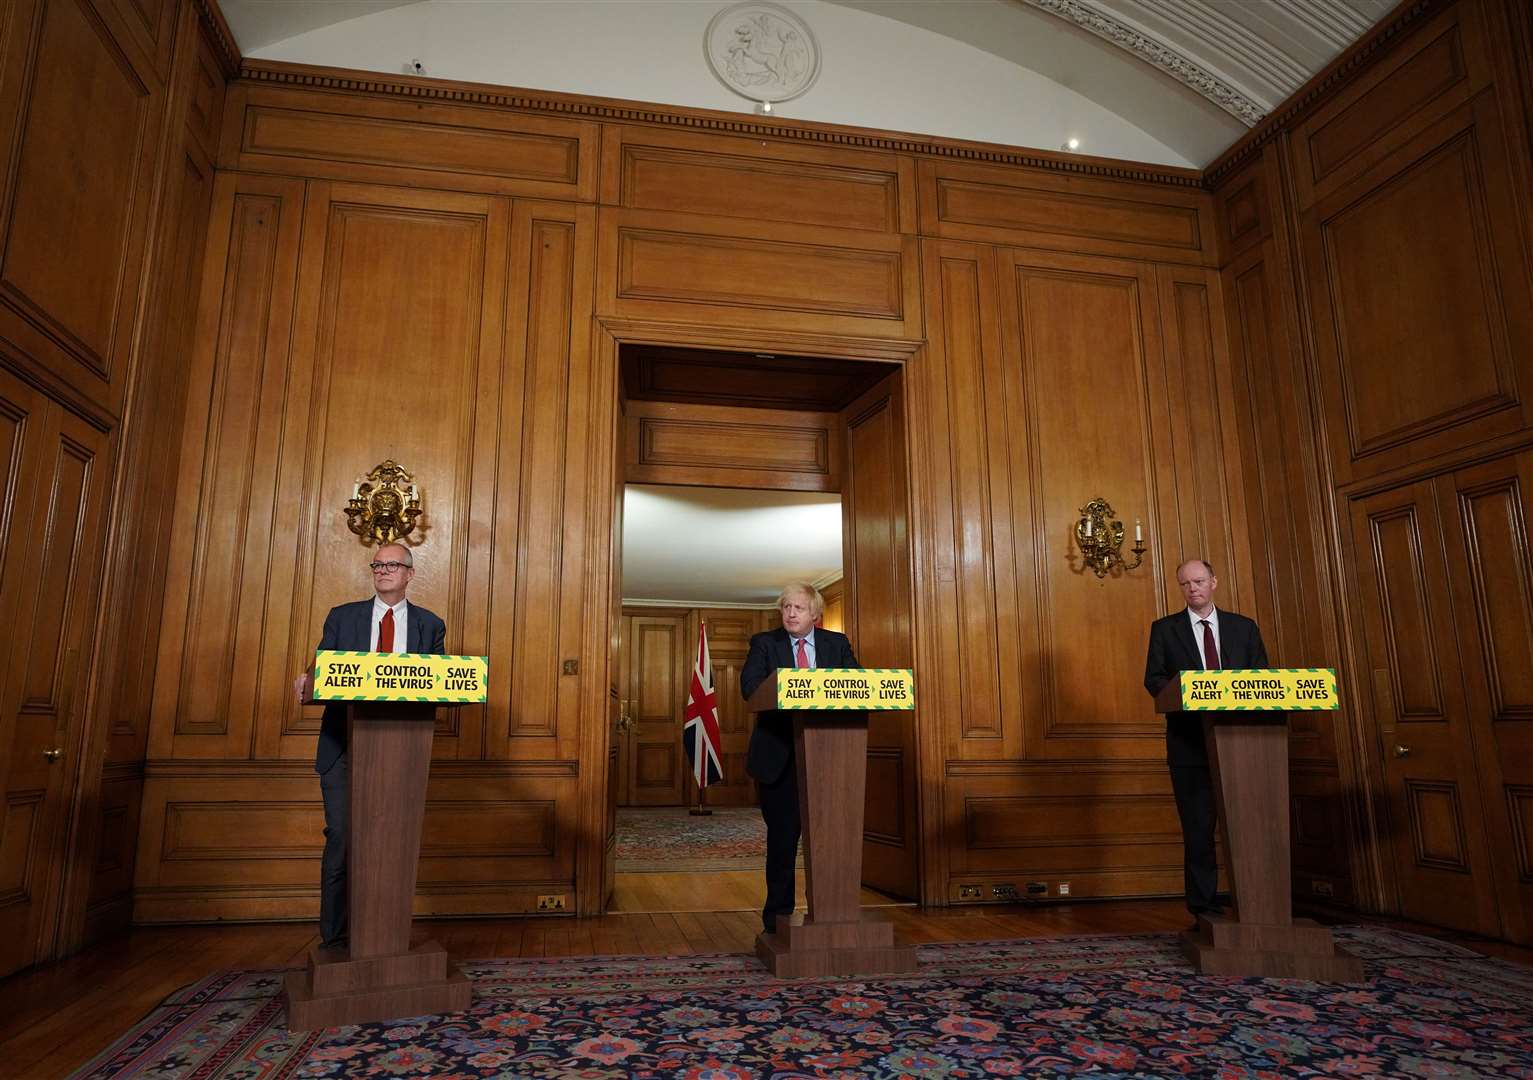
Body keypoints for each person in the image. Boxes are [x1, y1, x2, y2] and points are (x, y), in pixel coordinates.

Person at [293, 542, 446, 949]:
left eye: (392, 565)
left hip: (401, 753)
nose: (383, 570)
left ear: (410, 574)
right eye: (377, 564)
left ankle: (387, 936)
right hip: (343, 748)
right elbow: (322, 668)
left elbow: (441, 684)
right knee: (343, 835)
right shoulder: (342, 618)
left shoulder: (430, 626)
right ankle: (336, 939)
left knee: (393, 840)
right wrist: (308, 679)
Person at [1143, 558, 1268, 925]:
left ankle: (1257, 901)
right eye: (1185, 584)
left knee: (1250, 828)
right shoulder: (1165, 630)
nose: (1192, 588)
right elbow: (1153, 680)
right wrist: (1186, 695)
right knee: (1198, 829)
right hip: (1189, 745)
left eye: (1198, 581)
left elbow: (1263, 677)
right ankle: (1204, 907)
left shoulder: (1244, 629)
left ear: (1214, 582)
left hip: (1244, 744)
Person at [740, 582, 859, 935]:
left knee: (831, 841)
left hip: (830, 760)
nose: (790, 614)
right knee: (782, 841)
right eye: (786, 607)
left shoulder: (836, 645)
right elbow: (750, 689)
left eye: (798, 608)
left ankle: (832, 915)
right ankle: (777, 922)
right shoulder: (764, 644)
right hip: (779, 760)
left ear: (815, 615)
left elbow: (858, 683)